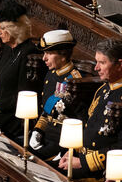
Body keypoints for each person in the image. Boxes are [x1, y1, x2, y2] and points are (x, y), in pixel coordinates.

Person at [57, 39, 122, 182]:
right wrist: (72, 152)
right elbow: (89, 125)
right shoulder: (104, 89)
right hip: (80, 158)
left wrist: (83, 162)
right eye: (97, 62)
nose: (96, 68)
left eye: (102, 63)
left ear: (120, 64)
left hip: (99, 171)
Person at [0, 0, 41, 138]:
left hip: (14, 117)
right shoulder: (8, 48)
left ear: (15, 29)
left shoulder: (29, 54)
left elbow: (24, 94)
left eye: (2, 28)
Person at [29, 29, 86, 162]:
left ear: (63, 55)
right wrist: (38, 130)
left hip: (61, 143)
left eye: (49, 53)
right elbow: (47, 113)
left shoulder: (76, 81)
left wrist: (69, 151)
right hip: (46, 136)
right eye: (44, 53)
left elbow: (81, 121)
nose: (44, 58)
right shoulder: (51, 74)